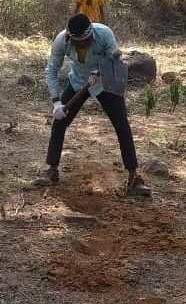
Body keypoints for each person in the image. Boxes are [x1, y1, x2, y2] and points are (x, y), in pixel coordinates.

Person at [34, 14, 151, 197]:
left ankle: (133, 177)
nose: (81, 45)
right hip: (78, 82)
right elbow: (51, 70)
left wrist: (101, 70)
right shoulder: (61, 40)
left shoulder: (104, 34)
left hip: (105, 82)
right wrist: (56, 102)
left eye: (85, 41)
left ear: (90, 35)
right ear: (70, 38)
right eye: (77, 42)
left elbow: (115, 59)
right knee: (59, 124)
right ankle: (52, 170)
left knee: (122, 125)